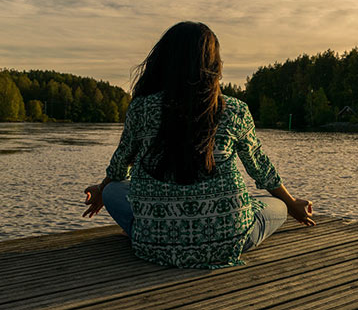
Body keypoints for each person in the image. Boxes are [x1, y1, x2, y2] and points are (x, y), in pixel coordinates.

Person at [82, 21, 314, 269]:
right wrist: (291, 204)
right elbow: (260, 168)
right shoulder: (234, 110)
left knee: (112, 191)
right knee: (276, 205)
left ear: (165, 61)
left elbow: (120, 164)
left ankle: (147, 231)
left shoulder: (142, 108)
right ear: (213, 64)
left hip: (153, 244)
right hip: (228, 241)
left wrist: (100, 188)